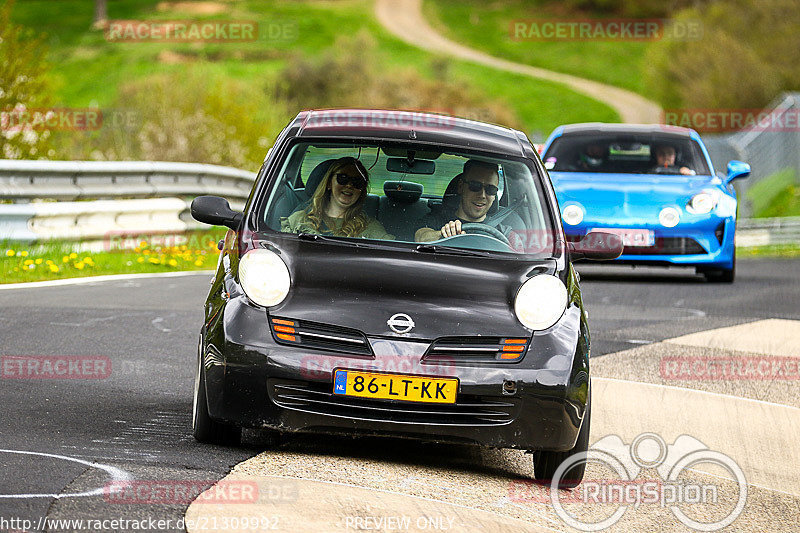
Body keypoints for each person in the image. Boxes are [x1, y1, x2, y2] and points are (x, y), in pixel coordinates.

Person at [281, 157, 394, 240]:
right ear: (329, 183)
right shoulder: (299, 219)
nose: (349, 185)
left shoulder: (369, 227)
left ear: (361, 191)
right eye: (343, 178)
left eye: (357, 182)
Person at [414, 159, 501, 242]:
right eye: (475, 186)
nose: (482, 195)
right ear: (461, 187)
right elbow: (421, 237)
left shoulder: (502, 231)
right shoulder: (436, 219)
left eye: (491, 190)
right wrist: (444, 233)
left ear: (494, 196)